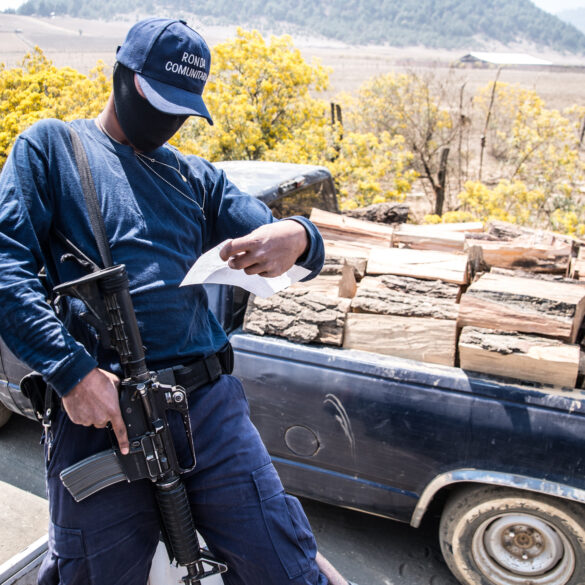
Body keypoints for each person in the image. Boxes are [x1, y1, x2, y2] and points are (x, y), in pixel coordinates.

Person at [0, 17, 357, 585]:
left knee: (287, 568)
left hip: (209, 410)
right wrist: (72, 373)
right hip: (103, 412)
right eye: (159, 101)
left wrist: (298, 236)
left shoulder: (195, 178)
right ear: (122, 74)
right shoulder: (52, 148)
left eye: (181, 109)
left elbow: (284, 243)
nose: (168, 121)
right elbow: (5, 267)